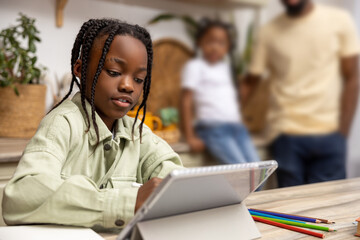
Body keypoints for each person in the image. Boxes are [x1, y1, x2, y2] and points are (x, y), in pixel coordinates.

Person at [2, 19, 183, 228]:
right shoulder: (62, 123)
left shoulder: (137, 133)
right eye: (114, 72)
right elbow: (21, 195)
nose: (128, 86)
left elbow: (175, 179)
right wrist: (127, 202)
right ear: (80, 69)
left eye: (139, 79)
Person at [243, 0, 360, 187]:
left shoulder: (340, 20)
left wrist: (343, 131)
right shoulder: (268, 32)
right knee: (290, 210)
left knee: (329, 208)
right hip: (286, 135)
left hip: (330, 133)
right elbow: (251, 81)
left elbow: (353, 76)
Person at [181, 18, 259, 164]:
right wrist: (190, 136)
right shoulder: (195, 66)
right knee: (243, 172)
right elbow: (186, 100)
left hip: (237, 128)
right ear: (200, 42)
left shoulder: (225, 69)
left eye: (221, 43)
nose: (215, 47)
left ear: (227, 47)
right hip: (213, 129)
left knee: (259, 170)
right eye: (210, 41)